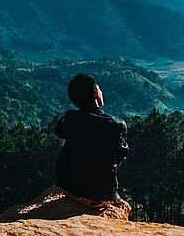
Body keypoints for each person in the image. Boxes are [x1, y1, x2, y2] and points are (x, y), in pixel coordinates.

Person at [54, 74, 129, 204]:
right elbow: (121, 155)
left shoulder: (70, 119)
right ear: (96, 94)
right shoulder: (117, 125)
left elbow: (59, 132)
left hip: (69, 188)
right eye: (99, 89)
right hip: (103, 193)